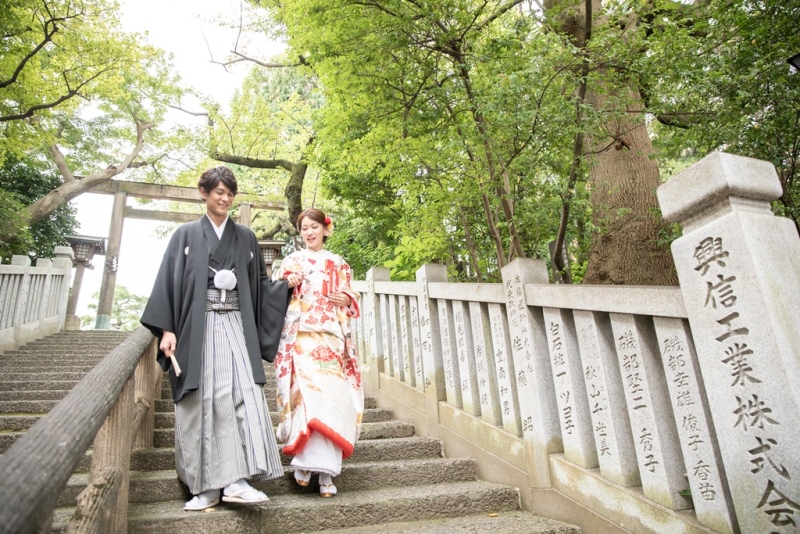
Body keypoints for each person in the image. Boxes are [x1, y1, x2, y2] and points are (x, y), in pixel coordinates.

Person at [140, 166, 284, 511]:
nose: (225, 198)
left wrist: (287, 286)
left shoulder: (246, 237)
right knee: (203, 400)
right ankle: (204, 486)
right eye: (219, 192)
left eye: (230, 193)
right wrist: (167, 329)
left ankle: (238, 480)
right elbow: (168, 283)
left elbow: (260, 288)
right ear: (203, 192)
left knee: (243, 394)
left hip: (236, 322)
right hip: (198, 327)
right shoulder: (185, 235)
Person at [274, 208, 363, 498]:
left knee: (334, 399)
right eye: (304, 229)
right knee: (309, 397)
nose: (309, 233)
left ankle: (325, 471)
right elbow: (274, 293)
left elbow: (352, 297)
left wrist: (346, 297)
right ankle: (309, 465)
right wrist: (286, 285)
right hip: (301, 337)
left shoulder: (339, 263)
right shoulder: (292, 261)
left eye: (314, 227)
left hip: (332, 337)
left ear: (325, 229)